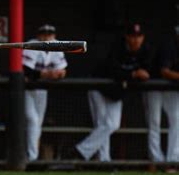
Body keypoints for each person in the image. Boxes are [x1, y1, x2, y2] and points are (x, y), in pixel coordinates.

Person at [75, 23, 152, 162]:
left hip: (117, 92)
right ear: (127, 37)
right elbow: (112, 70)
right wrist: (133, 74)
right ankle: (103, 159)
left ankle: (81, 151)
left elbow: (147, 70)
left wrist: (141, 74)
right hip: (99, 87)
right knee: (102, 124)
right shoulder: (117, 47)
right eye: (133, 36)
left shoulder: (145, 50)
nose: (136, 40)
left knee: (112, 125)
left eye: (139, 36)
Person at [23, 24, 67, 161]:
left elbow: (63, 70)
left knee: (37, 123)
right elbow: (26, 70)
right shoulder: (32, 45)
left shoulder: (56, 46)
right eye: (44, 34)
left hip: (42, 91)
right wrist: (47, 74)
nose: (47, 37)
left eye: (50, 34)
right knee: (32, 120)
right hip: (26, 91)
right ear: (39, 35)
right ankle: (32, 157)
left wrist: (58, 74)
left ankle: (32, 156)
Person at [144, 25, 179, 163]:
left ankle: (173, 159)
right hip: (155, 86)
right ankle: (156, 159)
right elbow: (165, 71)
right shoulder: (169, 45)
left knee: (177, 120)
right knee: (154, 122)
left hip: (173, 89)